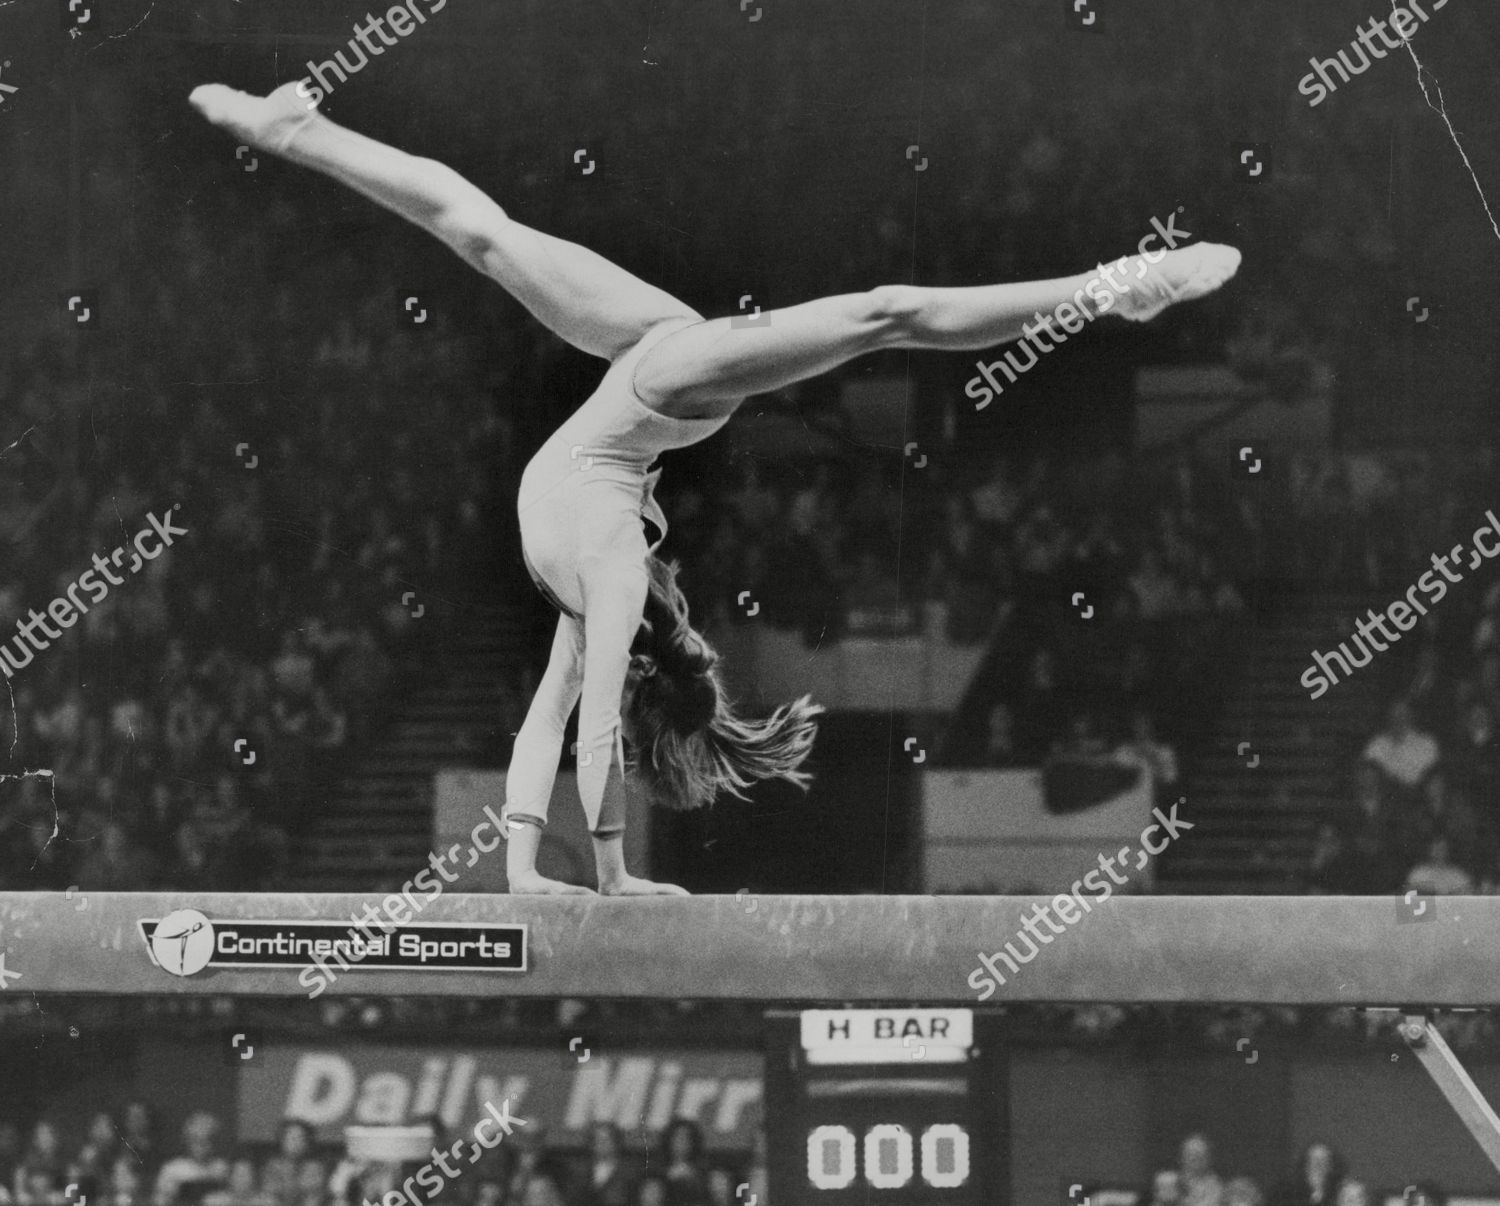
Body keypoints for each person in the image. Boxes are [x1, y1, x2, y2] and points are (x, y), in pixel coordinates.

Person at [190, 80, 1240, 894]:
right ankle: (1113, 289)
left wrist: (544, 872)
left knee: (490, 233)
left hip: (655, 373)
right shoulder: (606, 583)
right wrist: (590, 874)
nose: (687, 635)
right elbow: (574, 730)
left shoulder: (601, 592)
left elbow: (560, 729)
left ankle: (297, 132)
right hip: (659, 386)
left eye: (683, 655)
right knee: (881, 312)